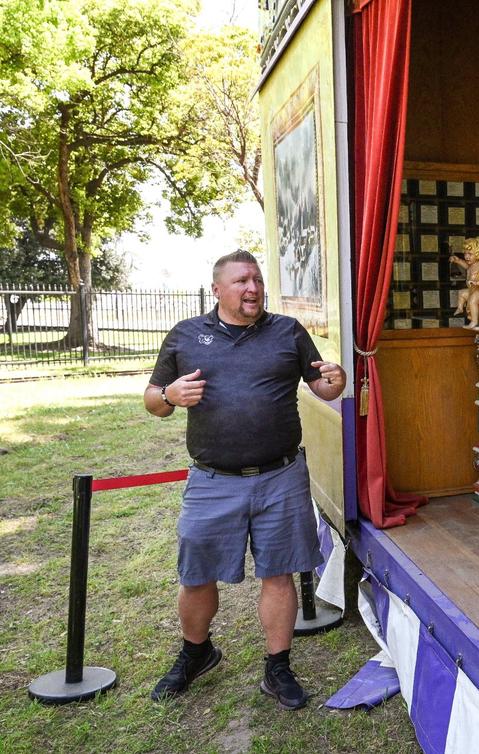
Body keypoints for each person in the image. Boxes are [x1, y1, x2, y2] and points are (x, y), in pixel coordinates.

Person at [145, 249, 346, 710]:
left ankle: (277, 668)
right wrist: (171, 395)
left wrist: (337, 379)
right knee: (196, 575)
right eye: (241, 281)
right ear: (217, 288)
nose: (252, 288)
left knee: (279, 574)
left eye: (256, 279)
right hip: (213, 479)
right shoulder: (186, 336)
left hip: (281, 476)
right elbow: (153, 401)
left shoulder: (287, 332)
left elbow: (324, 387)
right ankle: (196, 653)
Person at [450, 237, 479, 328]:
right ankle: (460, 308)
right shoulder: (471, 265)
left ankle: (474, 321)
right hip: (472, 290)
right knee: (461, 293)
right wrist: (457, 260)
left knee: (472, 301)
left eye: (470, 254)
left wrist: (477, 283)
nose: (466, 256)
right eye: (465, 254)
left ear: (478, 254)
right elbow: (466, 266)